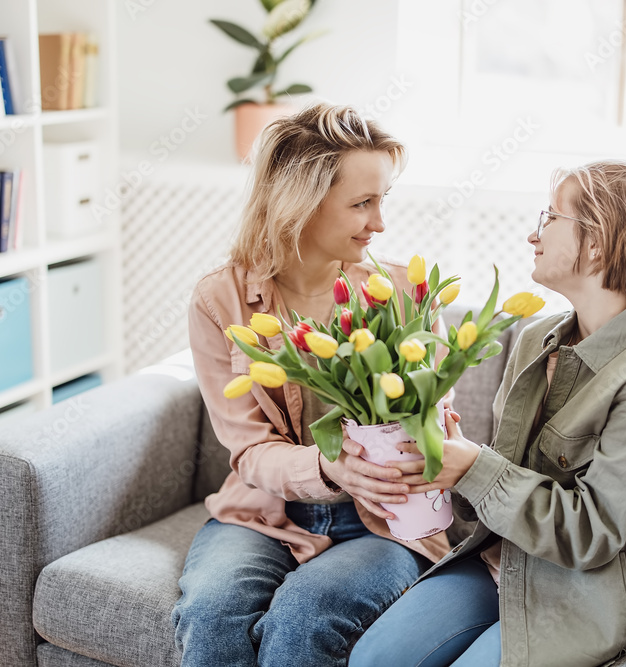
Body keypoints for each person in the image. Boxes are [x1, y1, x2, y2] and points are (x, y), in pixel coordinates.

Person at [350, 160, 626, 667]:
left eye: (551, 218)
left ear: (598, 242)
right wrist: (449, 456)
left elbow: (590, 536)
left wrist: (474, 468)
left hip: (576, 595)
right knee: (372, 661)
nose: (532, 235)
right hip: (498, 559)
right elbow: (499, 475)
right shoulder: (538, 339)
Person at [171, 103, 450, 667]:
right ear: (301, 207)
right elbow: (248, 449)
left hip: (385, 520)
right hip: (263, 512)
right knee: (210, 611)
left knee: (306, 616)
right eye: (361, 203)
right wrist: (327, 468)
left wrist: (429, 438)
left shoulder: (405, 294)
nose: (380, 223)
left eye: (382, 200)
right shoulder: (219, 300)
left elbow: (437, 422)